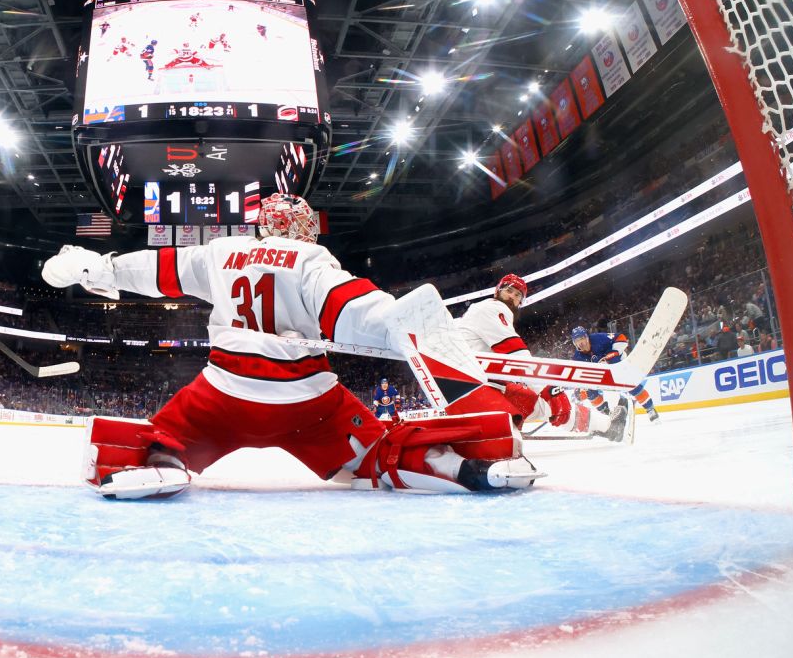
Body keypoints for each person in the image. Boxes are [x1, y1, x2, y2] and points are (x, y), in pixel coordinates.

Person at [40, 193, 540, 499]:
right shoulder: (311, 259)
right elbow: (347, 310)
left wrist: (96, 268)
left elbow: (157, 271)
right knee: (377, 457)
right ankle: (467, 467)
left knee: (164, 441)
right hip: (309, 401)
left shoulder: (221, 251)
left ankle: (152, 465)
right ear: (304, 229)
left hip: (223, 394)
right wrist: (396, 320)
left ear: (260, 224)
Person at [455, 273, 571, 432]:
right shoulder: (492, 307)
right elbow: (517, 356)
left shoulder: (483, 310)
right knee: (547, 406)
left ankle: (604, 425)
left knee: (544, 407)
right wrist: (550, 389)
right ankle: (603, 425)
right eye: (509, 291)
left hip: (478, 387)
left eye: (518, 295)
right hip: (478, 391)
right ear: (497, 291)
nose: (512, 297)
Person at [571, 325, 661, 424]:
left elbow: (622, 338)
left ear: (587, 337)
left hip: (617, 363)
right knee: (589, 392)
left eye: (582, 338)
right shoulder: (577, 357)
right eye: (577, 340)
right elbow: (579, 376)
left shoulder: (598, 338)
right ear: (574, 343)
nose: (580, 342)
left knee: (630, 384)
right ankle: (607, 415)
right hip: (601, 373)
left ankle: (650, 409)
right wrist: (579, 389)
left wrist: (609, 357)